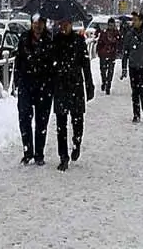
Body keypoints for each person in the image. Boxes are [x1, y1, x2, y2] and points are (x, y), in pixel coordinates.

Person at [51, 18, 95, 171]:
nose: (63, 27)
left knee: (77, 121)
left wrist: (89, 85)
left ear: (71, 24)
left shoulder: (78, 41)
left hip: (76, 85)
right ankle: (63, 156)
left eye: (66, 24)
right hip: (61, 86)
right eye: (61, 24)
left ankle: (77, 143)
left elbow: (85, 64)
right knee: (61, 125)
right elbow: (50, 64)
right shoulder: (55, 41)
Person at [15, 15, 54, 166]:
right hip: (26, 84)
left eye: (40, 23)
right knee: (24, 117)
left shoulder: (50, 40)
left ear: (44, 25)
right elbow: (18, 60)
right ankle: (27, 151)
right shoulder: (24, 38)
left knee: (41, 121)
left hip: (44, 86)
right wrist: (18, 79)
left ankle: (39, 153)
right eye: (35, 23)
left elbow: (53, 64)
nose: (37, 26)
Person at [121, 12, 143, 123]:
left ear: (141, 21)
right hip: (133, 66)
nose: (134, 22)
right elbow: (125, 52)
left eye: (136, 20)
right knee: (134, 91)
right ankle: (136, 114)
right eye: (133, 20)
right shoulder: (129, 34)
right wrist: (124, 68)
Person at [95, 17, 121, 94]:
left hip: (112, 55)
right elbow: (99, 43)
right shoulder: (104, 33)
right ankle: (104, 82)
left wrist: (116, 49)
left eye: (112, 25)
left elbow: (119, 44)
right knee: (103, 71)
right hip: (103, 54)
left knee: (110, 71)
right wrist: (99, 51)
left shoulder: (117, 33)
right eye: (110, 25)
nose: (111, 26)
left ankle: (108, 86)